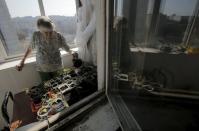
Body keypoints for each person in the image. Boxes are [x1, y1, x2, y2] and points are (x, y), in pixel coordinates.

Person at [16, 16, 71, 82]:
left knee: (60, 84)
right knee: (47, 87)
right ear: (39, 29)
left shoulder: (58, 35)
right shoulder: (36, 35)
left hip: (57, 67)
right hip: (42, 68)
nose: (48, 34)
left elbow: (66, 47)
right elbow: (30, 48)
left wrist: (72, 53)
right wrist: (22, 61)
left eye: (50, 32)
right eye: (45, 32)